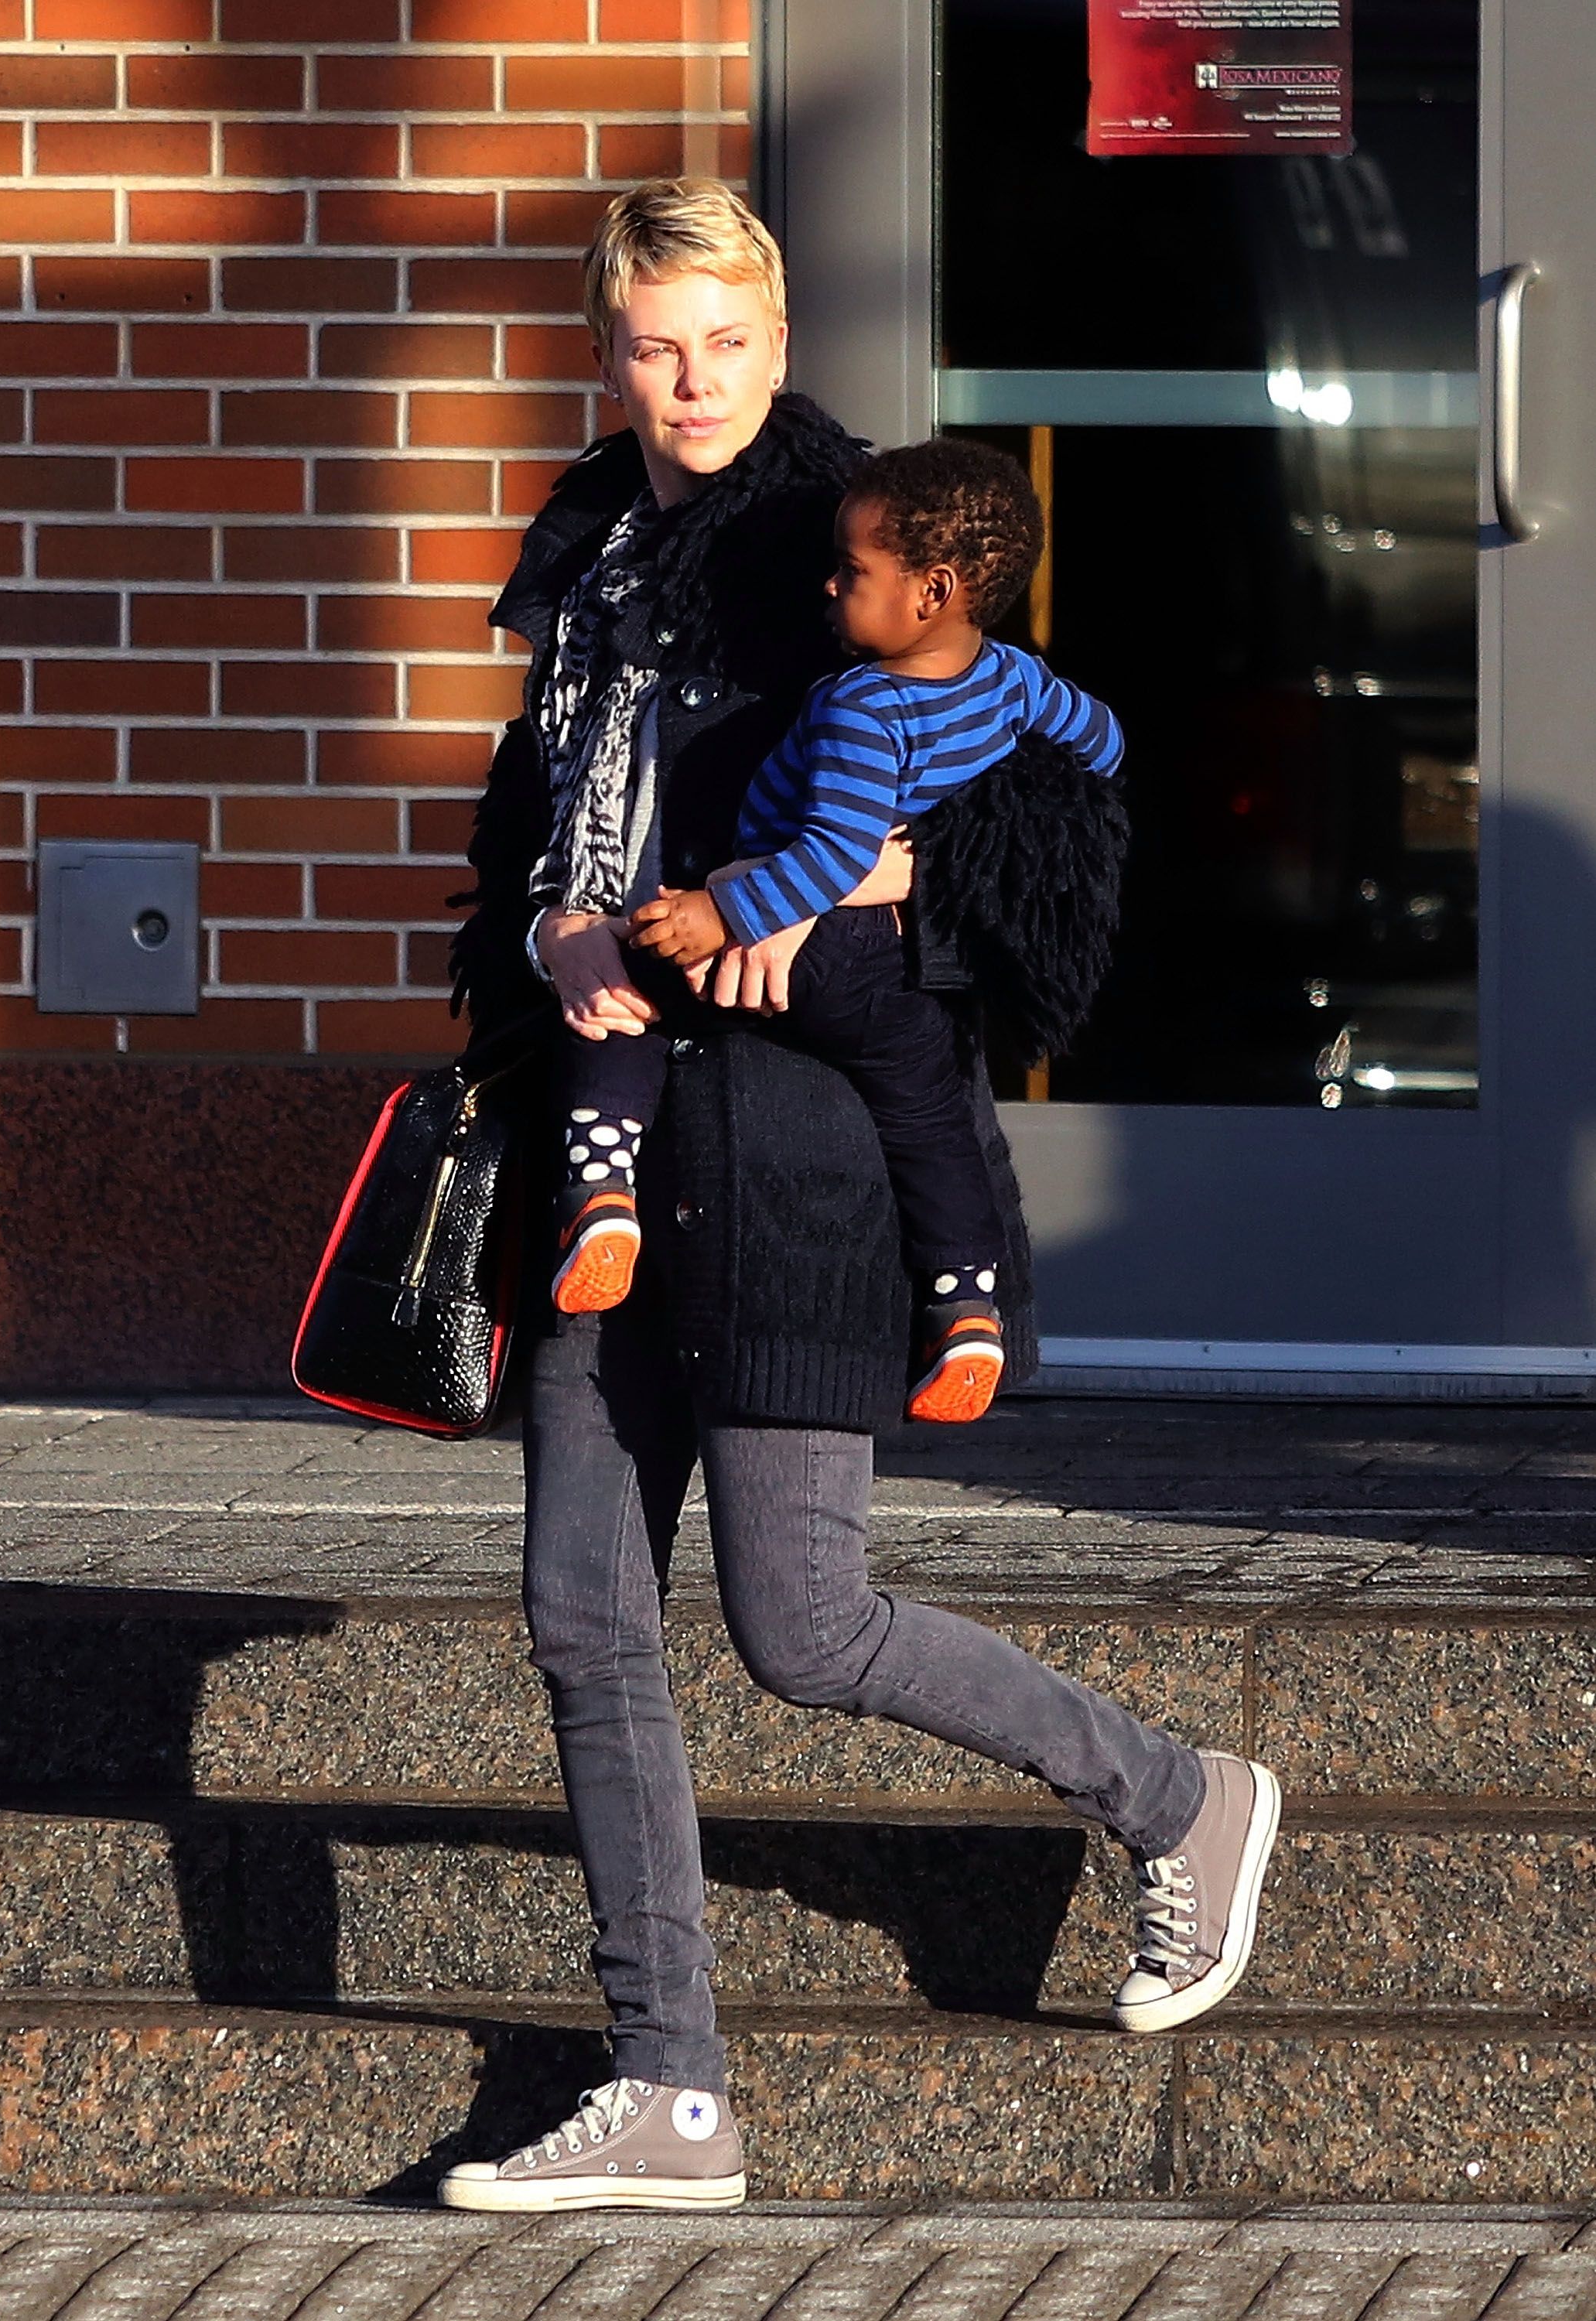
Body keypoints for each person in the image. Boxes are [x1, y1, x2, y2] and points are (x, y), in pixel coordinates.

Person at [441, 176, 1281, 2217]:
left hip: (800, 1150)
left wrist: (911, 881)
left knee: (800, 1624)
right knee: (578, 1612)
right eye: (656, 340)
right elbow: (529, 842)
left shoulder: (865, 536)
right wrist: (544, 938)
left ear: (783, 333)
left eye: (727, 338)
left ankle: (1175, 1799)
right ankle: (670, 2091)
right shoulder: (591, 547)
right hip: (608, 1140)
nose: (693, 378)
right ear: (608, 344)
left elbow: (1054, 819)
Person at [550, 437, 1125, 1429]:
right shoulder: (1013, 680)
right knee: (931, 1127)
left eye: (854, 571)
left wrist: (716, 911)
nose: (830, 582)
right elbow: (1103, 742)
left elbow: (828, 860)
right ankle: (967, 1311)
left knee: (628, 985)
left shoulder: (867, 707)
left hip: (812, 947)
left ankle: (601, 1191)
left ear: (932, 589)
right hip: (900, 979)